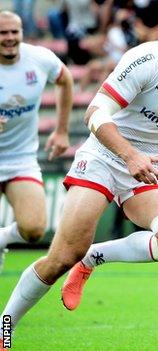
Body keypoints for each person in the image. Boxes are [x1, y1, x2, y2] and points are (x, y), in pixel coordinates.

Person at [0, 5, 158, 344]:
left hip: (151, 168)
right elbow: (95, 113)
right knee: (60, 257)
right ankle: (5, 327)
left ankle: (93, 257)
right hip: (105, 158)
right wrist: (129, 156)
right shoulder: (147, 61)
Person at [0, 11, 73, 273]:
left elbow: (64, 79)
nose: (9, 38)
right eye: (2, 33)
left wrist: (62, 130)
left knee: (34, 230)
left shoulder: (39, 59)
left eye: (14, 32)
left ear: (21, 32)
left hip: (21, 159)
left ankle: (2, 239)